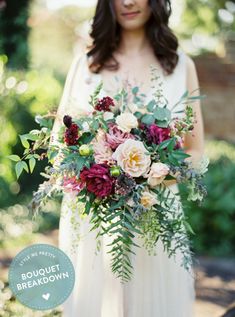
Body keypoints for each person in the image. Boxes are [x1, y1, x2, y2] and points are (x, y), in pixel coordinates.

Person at [50, 0, 205, 316]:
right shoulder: (86, 66)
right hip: (95, 222)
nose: (129, 2)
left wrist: (152, 171)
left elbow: (196, 151)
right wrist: (97, 168)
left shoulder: (180, 67)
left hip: (155, 219)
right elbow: (58, 145)